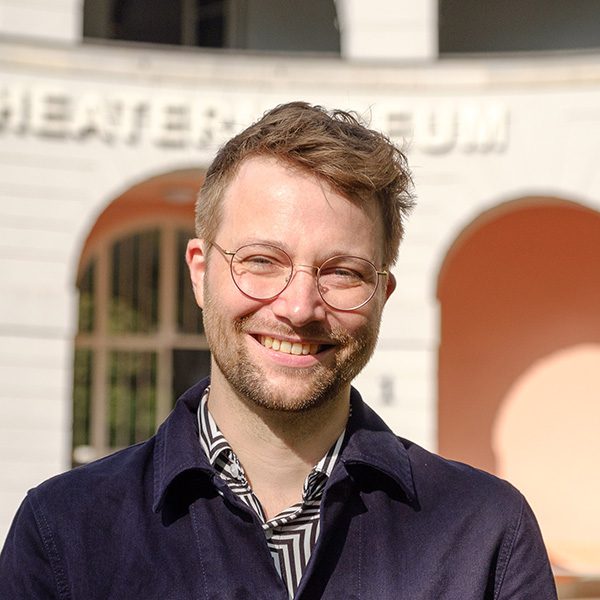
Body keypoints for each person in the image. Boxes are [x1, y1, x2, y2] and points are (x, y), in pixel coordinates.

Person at [0, 102, 557, 599]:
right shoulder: (62, 534)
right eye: (262, 261)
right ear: (200, 273)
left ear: (382, 295)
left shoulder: (488, 536)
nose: (299, 307)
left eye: (342, 272)